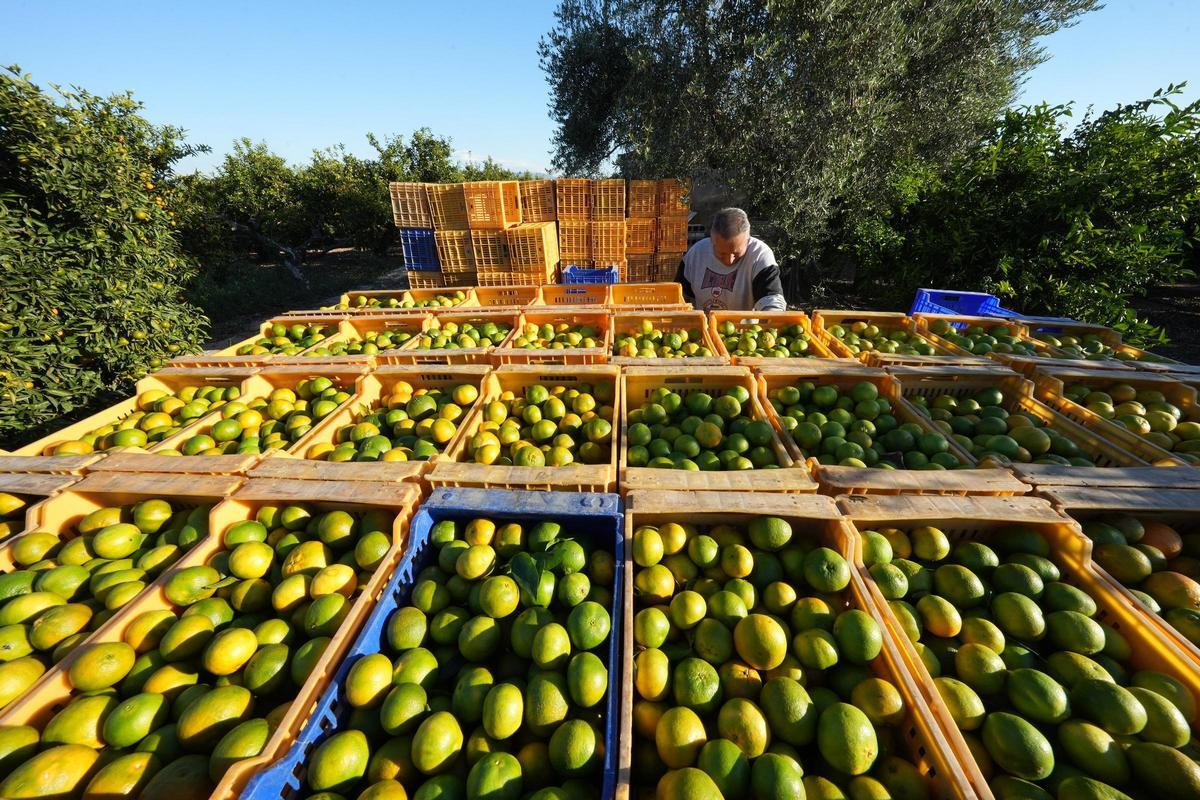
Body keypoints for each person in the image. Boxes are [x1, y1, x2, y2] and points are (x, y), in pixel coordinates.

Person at [674, 207, 785, 312]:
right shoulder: (697, 253)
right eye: (722, 253)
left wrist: (772, 320)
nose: (729, 260)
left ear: (748, 240)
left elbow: (772, 301)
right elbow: (678, 296)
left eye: (736, 254)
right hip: (703, 325)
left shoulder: (760, 255)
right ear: (712, 241)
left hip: (743, 326)